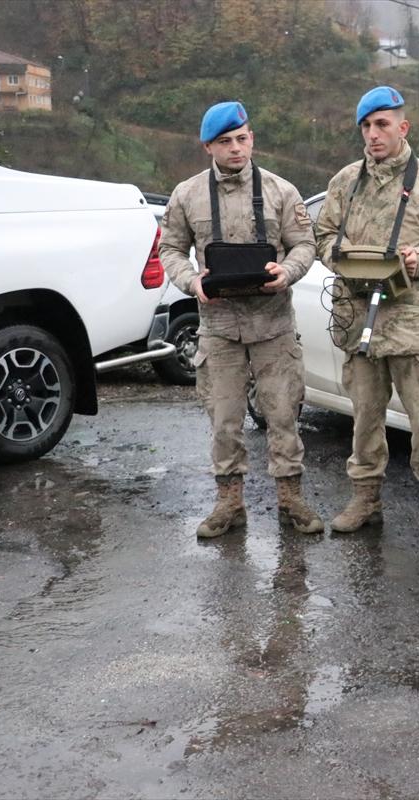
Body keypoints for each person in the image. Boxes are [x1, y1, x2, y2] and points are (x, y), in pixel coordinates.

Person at [316, 86, 419, 539]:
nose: (373, 134)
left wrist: (418, 261)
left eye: (382, 124)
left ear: (403, 127)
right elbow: (322, 235)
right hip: (358, 323)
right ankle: (365, 497)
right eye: (366, 126)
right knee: (364, 416)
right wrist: (340, 257)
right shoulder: (346, 182)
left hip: (412, 323)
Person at [159, 101, 322, 539]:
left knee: (283, 414)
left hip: (273, 325)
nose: (236, 148)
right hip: (219, 327)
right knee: (225, 420)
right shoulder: (187, 195)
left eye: (243, 138)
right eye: (225, 141)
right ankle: (229, 503)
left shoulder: (280, 192)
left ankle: (291, 500)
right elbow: (170, 249)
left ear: (252, 138)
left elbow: (305, 244)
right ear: (208, 146)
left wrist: (286, 272)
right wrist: (192, 281)